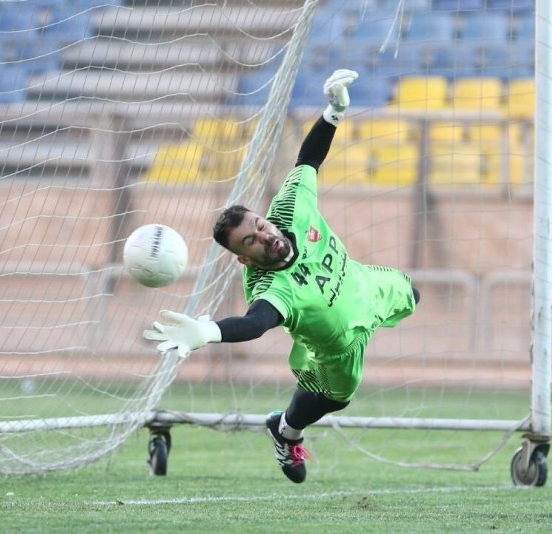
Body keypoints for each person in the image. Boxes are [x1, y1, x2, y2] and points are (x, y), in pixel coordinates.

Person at [143, 69, 419, 484]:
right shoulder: (271, 287)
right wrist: (208, 331)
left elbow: (308, 159)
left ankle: (287, 426)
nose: (264, 235)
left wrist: (333, 112)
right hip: (337, 350)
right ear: (243, 260)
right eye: (251, 241)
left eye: (260, 225)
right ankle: (286, 430)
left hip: (367, 286)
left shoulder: (289, 207)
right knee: (337, 398)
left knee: (412, 291)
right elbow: (255, 324)